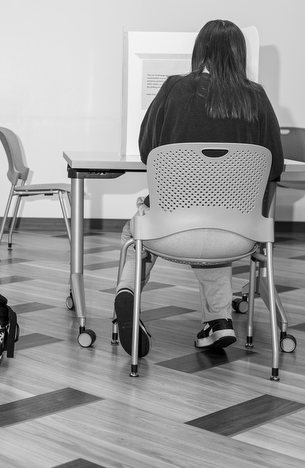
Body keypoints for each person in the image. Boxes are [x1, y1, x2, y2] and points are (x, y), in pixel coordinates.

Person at [114, 19, 284, 357]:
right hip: (237, 237)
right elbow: (274, 166)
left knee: (134, 233)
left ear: (199, 51)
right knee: (219, 220)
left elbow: (149, 150)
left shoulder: (175, 88)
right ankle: (218, 322)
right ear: (240, 55)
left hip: (171, 231)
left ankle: (127, 295)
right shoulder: (256, 97)